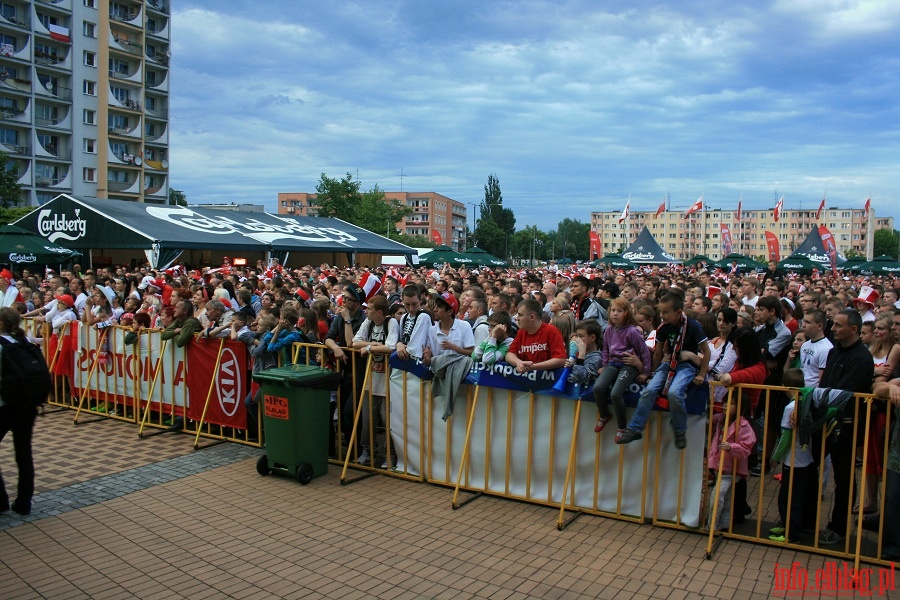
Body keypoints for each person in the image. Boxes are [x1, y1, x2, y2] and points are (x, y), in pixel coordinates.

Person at [618, 292, 710, 449]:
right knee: (649, 390)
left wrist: (701, 374)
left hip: (686, 366)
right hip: (667, 363)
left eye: (666, 312)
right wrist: (652, 372)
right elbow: (658, 352)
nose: (662, 315)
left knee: (675, 393)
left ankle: (680, 429)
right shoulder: (663, 327)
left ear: (679, 312)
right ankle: (635, 428)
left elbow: (706, 352)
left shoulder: (693, 326)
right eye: (661, 312)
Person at [817, 309, 875, 546]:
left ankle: (839, 527)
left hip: (847, 426)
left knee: (843, 478)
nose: (833, 328)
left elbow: (843, 392)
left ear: (854, 329)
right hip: (824, 420)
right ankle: (806, 519)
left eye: (838, 326)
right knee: (809, 468)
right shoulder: (833, 352)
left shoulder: (862, 358)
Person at [351, 295, 400, 468]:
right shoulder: (368, 323)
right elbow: (354, 343)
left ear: (379, 311)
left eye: (369, 309)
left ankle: (390, 455)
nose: (366, 311)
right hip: (370, 380)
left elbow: (391, 347)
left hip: (388, 382)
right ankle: (367, 451)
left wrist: (370, 348)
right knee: (367, 421)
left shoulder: (391, 323)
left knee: (389, 423)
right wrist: (371, 343)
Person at [593, 298, 651, 441]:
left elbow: (644, 351)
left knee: (615, 394)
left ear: (626, 313)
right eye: (613, 310)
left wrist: (645, 371)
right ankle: (605, 415)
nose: (615, 314)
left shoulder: (632, 331)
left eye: (619, 311)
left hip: (629, 365)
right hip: (613, 363)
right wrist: (604, 366)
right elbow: (605, 350)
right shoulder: (608, 330)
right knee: (598, 387)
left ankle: (622, 426)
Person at [768, 368, 814, 543]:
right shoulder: (806, 402)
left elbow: (785, 436)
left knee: (788, 498)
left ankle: (791, 533)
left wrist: (774, 457)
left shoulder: (790, 408)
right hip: (804, 458)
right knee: (792, 496)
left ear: (784, 387)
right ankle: (788, 525)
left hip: (793, 460)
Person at [0, 307, 37, 515]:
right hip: (27, 405)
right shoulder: (25, 343)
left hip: (5, 405)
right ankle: (24, 502)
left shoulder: (2, 346)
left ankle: (1, 500)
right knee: (23, 453)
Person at [707, 387, 756, 531]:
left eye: (732, 403)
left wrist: (731, 447)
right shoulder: (721, 419)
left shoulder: (744, 425)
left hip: (731, 467)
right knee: (726, 498)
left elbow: (747, 447)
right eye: (726, 402)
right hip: (719, 466)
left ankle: (712, 526)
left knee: (717, 496)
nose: (727, 405)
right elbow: (709, 418)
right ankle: (723, 524)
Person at [505, 299, 567, 374]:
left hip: (547, 382)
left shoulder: (551, 331)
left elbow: (560, 359)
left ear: (532, 317)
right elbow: (509, 354)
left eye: (520, 315)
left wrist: (533, 367)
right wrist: (518, 362)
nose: (517, 318)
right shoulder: (522, 331)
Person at [799, 309, 832, 387]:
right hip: (801, 389)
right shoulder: (805, 345)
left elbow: (822, 378)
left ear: (819, 326)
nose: (803, 325)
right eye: (803, 321)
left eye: (808, 322)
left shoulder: (826, 348)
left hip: (813, 392)